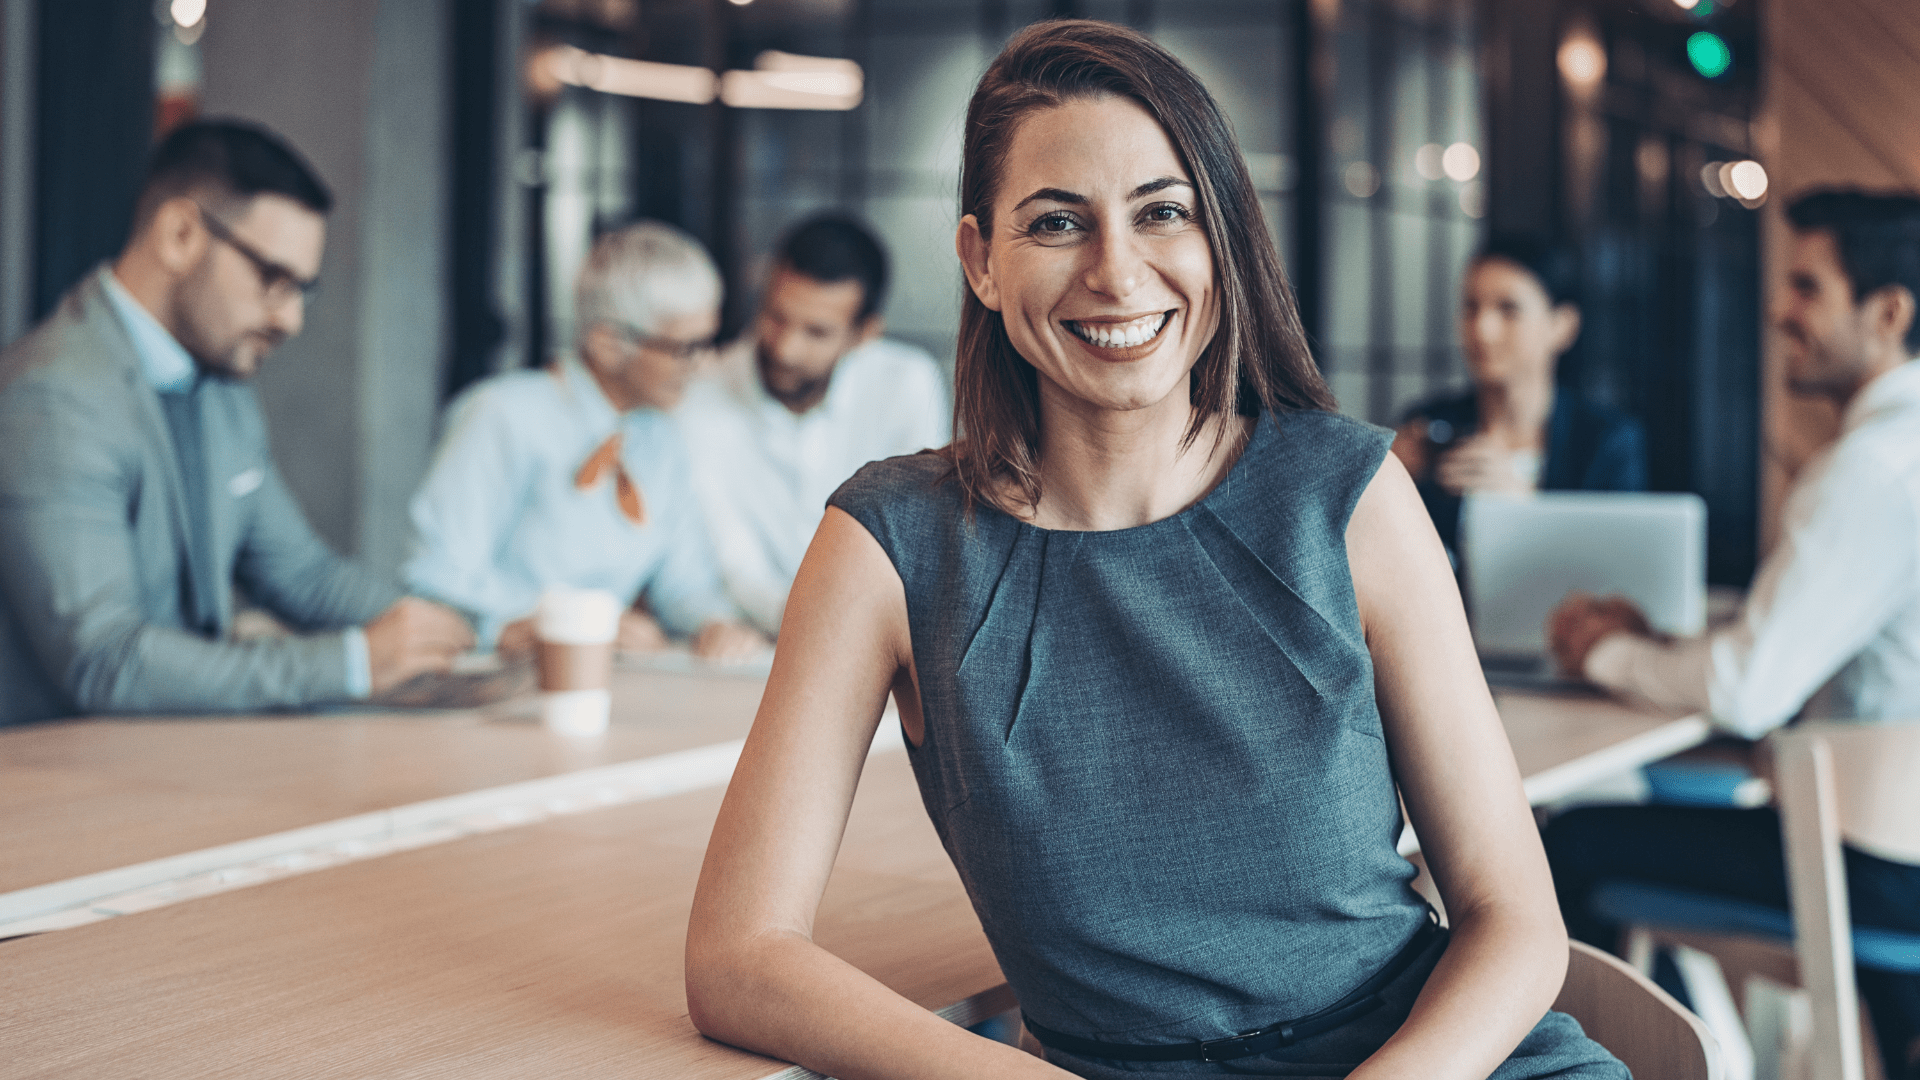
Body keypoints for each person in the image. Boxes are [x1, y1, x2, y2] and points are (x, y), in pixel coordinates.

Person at [686, 21, 1621, 1080]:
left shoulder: (1348, 495)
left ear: (1218, 239)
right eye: (1055, 223)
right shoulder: (888, 546)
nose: (1116, 273)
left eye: (1162, 212)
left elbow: (1515, 921)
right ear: (979, 262)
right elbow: (738, 956)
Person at [1545, 190, 1920, 1080]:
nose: (1780, 309)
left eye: (1807, 287)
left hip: (1881, 867)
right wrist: (1666, 647)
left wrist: (1601, 652)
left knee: (1568, 847)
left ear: (1890, 312)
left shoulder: (1872, 468)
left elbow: (1752, 689)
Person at [0, 120, 473, 726]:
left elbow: (304, 576)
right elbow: (105, 663)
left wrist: (467, 636)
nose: (292, 320)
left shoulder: (220, 387)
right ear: (179, 235)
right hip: (52, 788)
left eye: (304, 290)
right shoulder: (53, 396)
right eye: (274, 281)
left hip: (170, 767)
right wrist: (351, 664)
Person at [405, 221, 765, 662]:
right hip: (495, 681)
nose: (704, 366)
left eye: (708, 343)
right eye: (683, 348)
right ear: (608, 344)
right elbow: (436, 579)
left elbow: (683, 582)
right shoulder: (502, 415)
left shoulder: (662, 437)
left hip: (609, 680)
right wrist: (542, 625)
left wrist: (713, 624)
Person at [675, 214, 949, 635]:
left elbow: (917, 541)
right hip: (748, 641)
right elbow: (732, 561)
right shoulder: (700, 395)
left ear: (863, 334)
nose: (785, 348)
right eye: (775, 317)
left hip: (876, 638)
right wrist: (818, 632)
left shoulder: (906, 385)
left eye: (816, 332)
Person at [1392, 236, 1646, 559]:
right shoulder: (1429, 426)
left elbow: (1618, 565)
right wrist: (1387, 481)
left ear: (1562, 325)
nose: (1482, 329)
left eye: (1508, 310)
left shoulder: (1607, 441)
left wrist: (1523, 508)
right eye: (1471, 307)